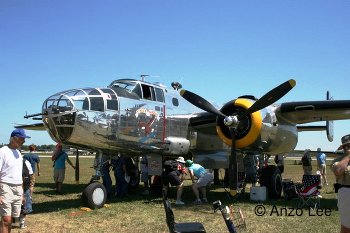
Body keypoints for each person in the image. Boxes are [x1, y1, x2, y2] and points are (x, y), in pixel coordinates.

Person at [0, 128, 30, 233]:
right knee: (6, 219)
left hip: (18, 188)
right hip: (5, 186)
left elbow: (19, 175)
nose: (24, 141)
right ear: (14, 138)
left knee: (12, 219)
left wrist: (21, 193)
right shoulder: (2, 151)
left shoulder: (18, 153)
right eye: (22, 139)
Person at [331, 134, 350, 233]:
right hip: (347, 194)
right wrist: (348, 156)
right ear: (344, 148)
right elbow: (338, 171)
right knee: (347, 227)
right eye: (348, 146)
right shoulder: (338, 161)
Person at [19, 157, 34, 229]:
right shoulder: (26, 162)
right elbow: (31, 175)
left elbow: (31, 175)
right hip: (25, 187)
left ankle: (19, 222)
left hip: (22, 186)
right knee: (25, 205)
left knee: (23, 205)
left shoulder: (25, 162)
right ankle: (21, 223)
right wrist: (31, 186)